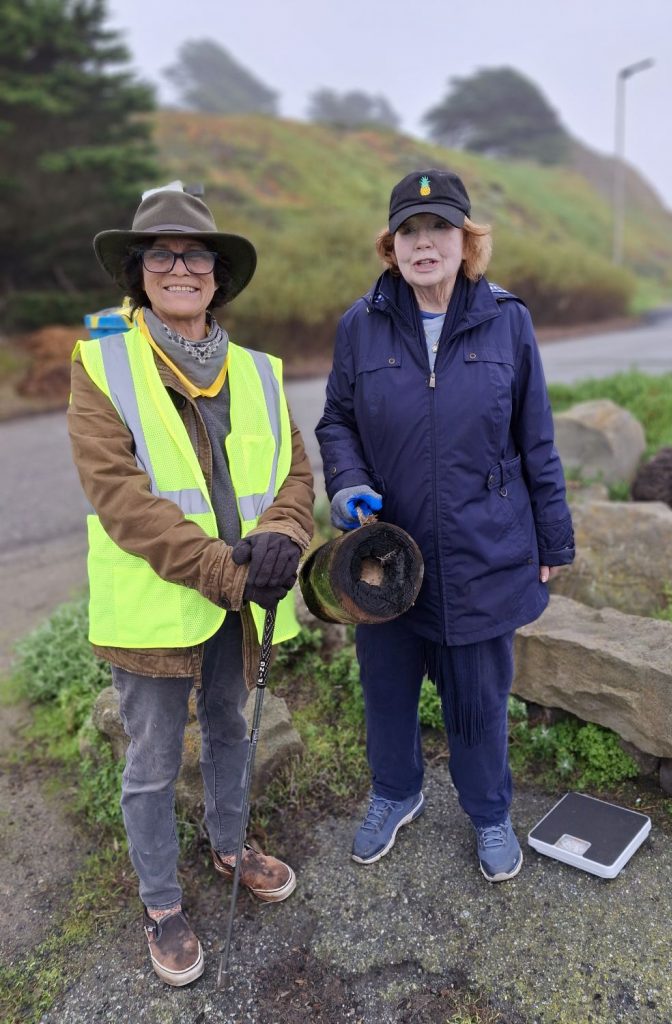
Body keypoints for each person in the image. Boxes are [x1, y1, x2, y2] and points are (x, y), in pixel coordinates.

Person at [68, 184, 314, 986]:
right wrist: (221, 570)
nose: (181, 267)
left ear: (217, 273)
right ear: (140, 273)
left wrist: (282, 536)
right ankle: (162, 903)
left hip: (237, 608)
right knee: (149, 759)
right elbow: (120, 499)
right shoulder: (102, 365)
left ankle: (232, 844)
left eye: (196, 254)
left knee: (233, 729)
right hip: (155, 609)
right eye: (162, 255)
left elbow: (294, 472)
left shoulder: (258, 370)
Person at [316, 168, 574, 882]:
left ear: (467, 241)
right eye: (409, 231)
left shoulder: (507, 320)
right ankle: (396, 793)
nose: (424, 243)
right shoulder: (360, 326)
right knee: (387, 692)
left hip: (483, 552)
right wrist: (348, 484)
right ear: (390, 246)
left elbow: (538, 440)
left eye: (439, 229)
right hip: (387, 558)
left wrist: (553, 539)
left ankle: (489, 813)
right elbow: (336, 419)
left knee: (480, 702)